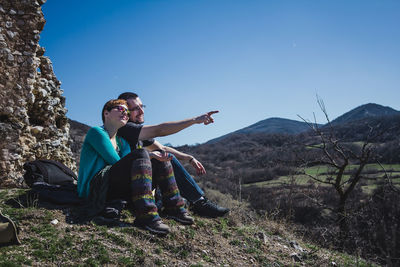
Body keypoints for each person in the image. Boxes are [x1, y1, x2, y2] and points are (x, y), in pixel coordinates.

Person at [77, 99, 193, 235]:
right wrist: (149, 155)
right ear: (106, 113)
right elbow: (117, 162)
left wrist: (155, 157)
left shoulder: (122, 142)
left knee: (160, 158)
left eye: (127, 111)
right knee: (144, 153)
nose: (125, 113)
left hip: (112, 189)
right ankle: (146, 216)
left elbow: (129, 165)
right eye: (120, 109)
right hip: (94, 189)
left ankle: (174, 208)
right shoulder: (97, 132)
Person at [117, 92, 229, 218]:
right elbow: (159, 130)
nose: (142, 111)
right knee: (162, 158)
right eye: (136, 108)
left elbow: (162, 147)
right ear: (125, 112)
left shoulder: (137, 132)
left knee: (163, 154)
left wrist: (188, 158)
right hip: (126, 186)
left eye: (142, 106)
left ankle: (182, 203)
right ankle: (199, 203)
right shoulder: (125, 128)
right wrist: (194, 120)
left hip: (137, 183)